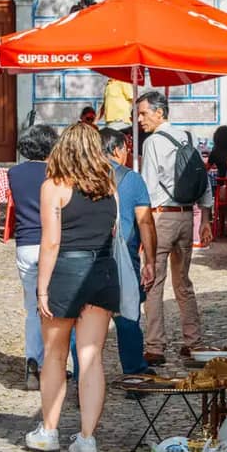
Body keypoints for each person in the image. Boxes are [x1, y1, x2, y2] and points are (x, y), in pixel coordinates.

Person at [24, 123, 119, 452]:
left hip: (66, 271)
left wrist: (42, 289)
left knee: (55, 355)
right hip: (102, 271)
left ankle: (49, 431)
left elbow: (51, 241)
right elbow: (114, 231)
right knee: (91, 357)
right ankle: (87, 438)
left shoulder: (54, 186)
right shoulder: (109, 186)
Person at [70, 128, 156, 381]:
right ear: (118, 150)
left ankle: (82, 377)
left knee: (82, 318)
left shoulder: (78, 178)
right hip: (123, 255)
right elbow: (145, 222)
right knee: (127, 316)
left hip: (85, 256)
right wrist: (150, 261)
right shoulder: (132, 179)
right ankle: (133, 372)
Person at [136, 91, 213, 365]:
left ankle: (155, 347)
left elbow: (147, 187)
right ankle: (193, 342)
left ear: (159, 112)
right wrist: (205, 219)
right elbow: (203, 180)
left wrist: (143, 226)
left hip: (162, 218)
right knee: (183, 283)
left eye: (143, 113)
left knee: (153, 283)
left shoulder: (153, 142)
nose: (140, 120)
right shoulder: (188, 137)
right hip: (186, 217)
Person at [7, 124, 59, 390]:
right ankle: (55, 362)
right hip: (52, 242)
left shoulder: (14, 173)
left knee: (32, 308)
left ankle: (32, 360)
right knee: (56, 307)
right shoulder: (56, 173)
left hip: (25, 244)